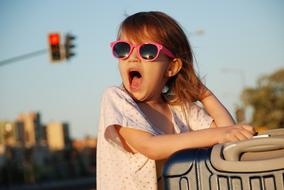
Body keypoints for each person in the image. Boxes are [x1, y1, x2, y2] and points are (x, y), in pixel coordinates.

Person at [96, 11, 255, 190]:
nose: (132, 57)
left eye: (147, 51)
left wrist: (205, 95)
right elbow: (151, 147)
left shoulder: (180, 109)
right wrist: (220, 134)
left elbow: (228, 138)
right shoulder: (117, 98)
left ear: (171, 67)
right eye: (123, 49)